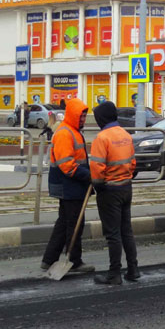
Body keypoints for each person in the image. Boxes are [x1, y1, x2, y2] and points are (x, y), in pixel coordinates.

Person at [41, 97, 94, 273]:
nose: (83, 119)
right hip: (69, 185)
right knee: (74, 224)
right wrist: (88, 176)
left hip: (70, 185)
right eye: (81, 116)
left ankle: (49, 260)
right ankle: (74, 261)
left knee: (64, 223)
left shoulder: (71, 130)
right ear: (72, 115)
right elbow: (67, 165)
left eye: (85, 116)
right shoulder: (66, 133)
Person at [90, 101, 139, 285]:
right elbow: (133, 163)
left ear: (101, 118)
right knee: (126, 231)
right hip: (126, 187)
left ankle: (114, 274)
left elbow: (96, 166)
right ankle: (133, 269)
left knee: (113, 234)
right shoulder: (125, 135)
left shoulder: (102, 138)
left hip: (109, 190)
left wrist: (98, 185)